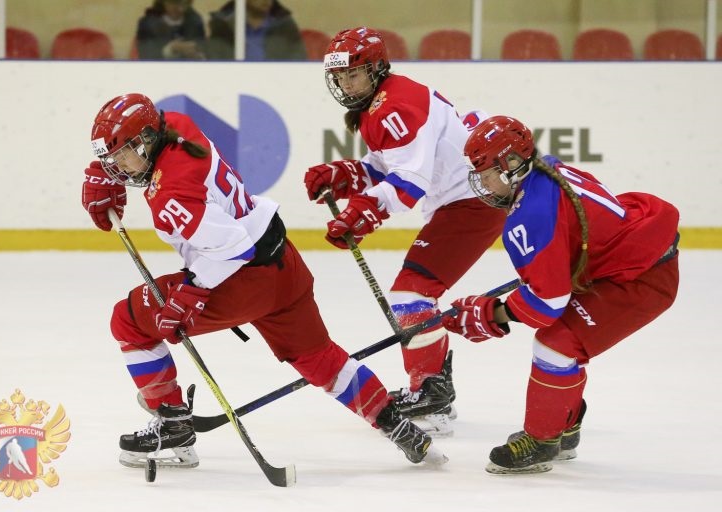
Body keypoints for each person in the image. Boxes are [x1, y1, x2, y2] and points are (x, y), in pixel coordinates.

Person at [81, 93, 446, 470]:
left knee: (127, 321)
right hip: (284, 264)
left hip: (240, 281)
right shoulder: (174, 125)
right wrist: (101, 169)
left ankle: (171, 425)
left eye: (122, 155)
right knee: (320, 358)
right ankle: (396, 424)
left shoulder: (171, 197)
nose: (118, 167)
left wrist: (189, 292)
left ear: (145, 139)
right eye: (112, 159)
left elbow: (231, 247)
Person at [441, 115, 680, 474]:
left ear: (511, 164)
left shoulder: (530, 215)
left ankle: (543, 440)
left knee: (556, 343)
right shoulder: (546, 168)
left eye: (486, 171)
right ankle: (565, 426)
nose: (482, 181)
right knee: (560, 340)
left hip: (642, 278)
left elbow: (547, 304)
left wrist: (490, 314)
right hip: (628, 259)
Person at [303, 27, 505, 436]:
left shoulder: (395, 106)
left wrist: (364, 211)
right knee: (414, 294)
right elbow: (391, 167)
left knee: (412, 294)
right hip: (462, 201)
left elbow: (409, 184)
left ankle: (431, 394)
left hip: (472, 202)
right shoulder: (380, 102)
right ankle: (434, 390)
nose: (344, 85)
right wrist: (346, 174)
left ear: (377, 69)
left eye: (353, 75)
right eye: (339, 78)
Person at [204, 0, 306, 61]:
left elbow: (299, 59)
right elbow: (214, 60)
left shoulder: (285, 24)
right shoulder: (223, 25)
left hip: (276, 85)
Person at [136, 0, 206, 60]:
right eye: (175, 3)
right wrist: (171, 48)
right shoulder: (147, 24)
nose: (181, 9)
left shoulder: (195, 22)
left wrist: (199, 55)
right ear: (164, 2)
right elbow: (146, 57)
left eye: (185, 3)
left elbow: (206, 52)